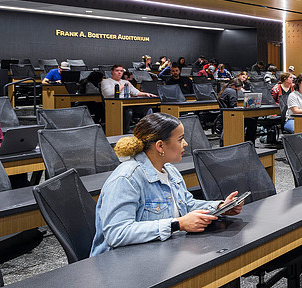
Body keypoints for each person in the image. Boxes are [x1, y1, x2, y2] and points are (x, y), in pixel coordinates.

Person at [92, 113, 242, 256]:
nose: (186, 143)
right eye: (180, 139)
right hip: (121, 263)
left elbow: (186, 204)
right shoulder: (126, 178)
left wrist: (220, 207)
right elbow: (116, 233)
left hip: (158, 251)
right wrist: (178, 224)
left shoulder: (169, 170)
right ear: (160, 146)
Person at [101, 65, 157, 132]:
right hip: (114, 105)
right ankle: (125, 131)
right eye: (117, 71)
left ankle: (149, 129)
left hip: (128, 103)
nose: (119, 73)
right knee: (128, 111)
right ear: (112, 72)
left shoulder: (126, 82)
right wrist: (122, 85)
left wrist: (146, 94)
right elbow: (108, 94)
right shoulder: (106, 82)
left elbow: (136, 92)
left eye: (121, 71)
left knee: (147, 108)